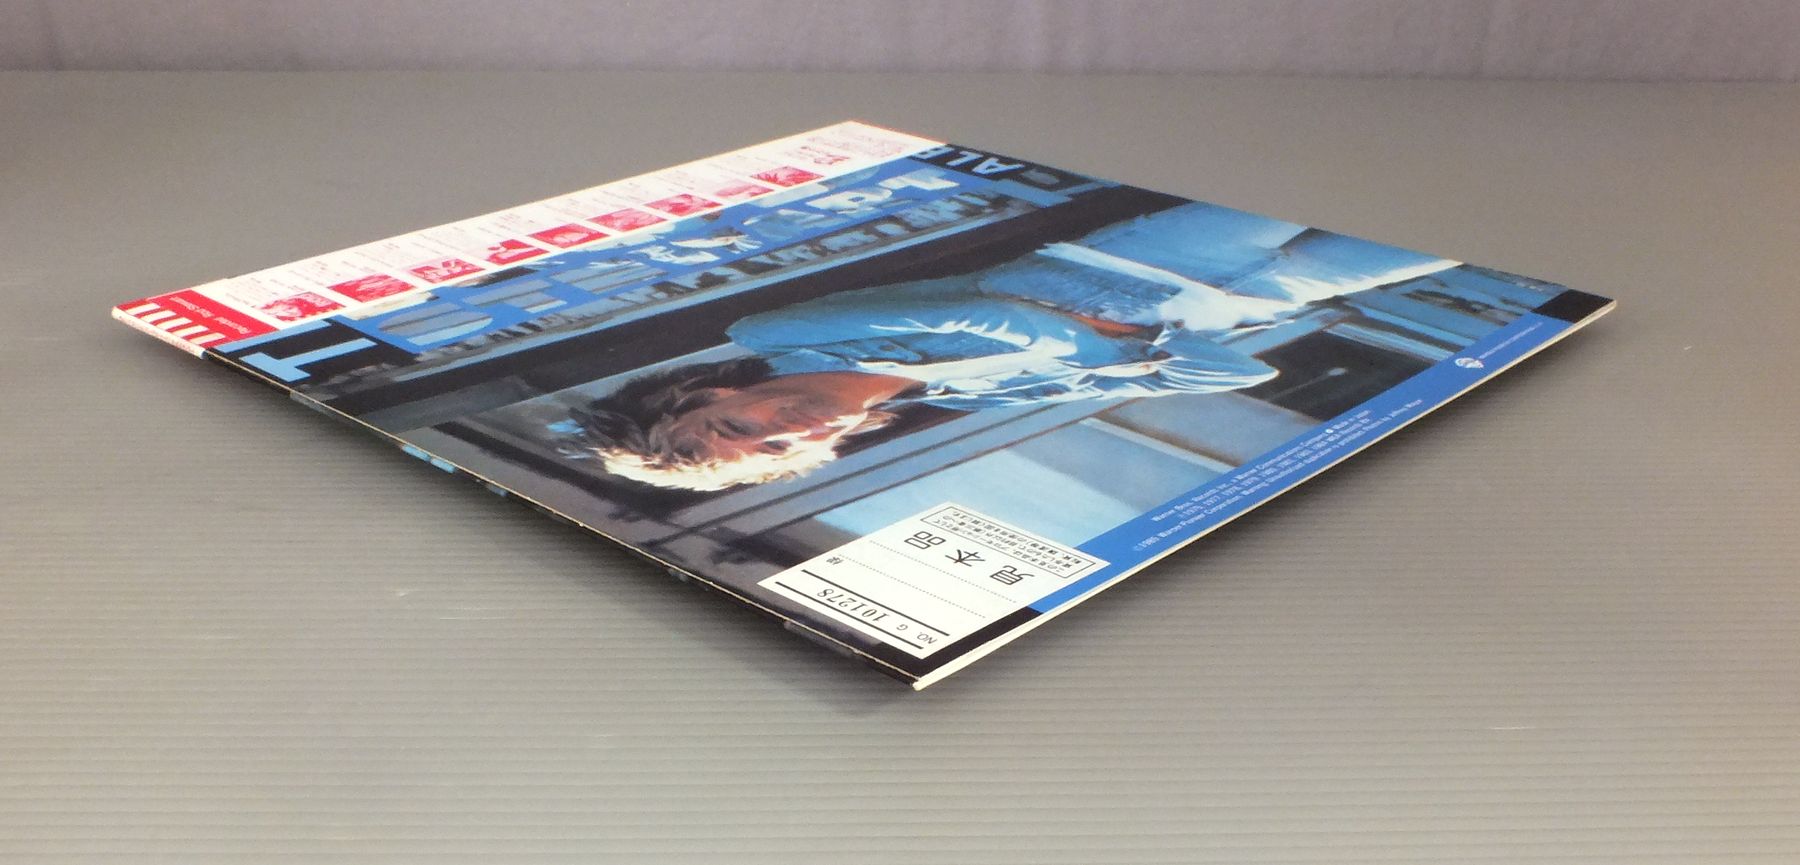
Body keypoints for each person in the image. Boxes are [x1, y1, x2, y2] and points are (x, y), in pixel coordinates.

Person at [561, 203, 1455, 491]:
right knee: (1443, 230)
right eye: (770, 455)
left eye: (736, 427)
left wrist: (1113, 348)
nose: (781, 432)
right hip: (1258, 301)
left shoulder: (764, 334)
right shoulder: (963, 400)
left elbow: (985, 314)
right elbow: (1230, 373)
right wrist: (1130, 355)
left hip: (1148, 258)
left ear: (702, 395)